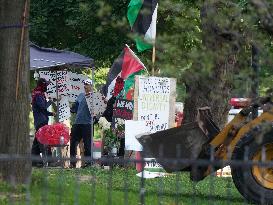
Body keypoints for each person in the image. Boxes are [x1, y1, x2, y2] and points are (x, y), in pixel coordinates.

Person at [70, 78, 93, 168]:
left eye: (87, 84)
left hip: (87, 123)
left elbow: (98, 111)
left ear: (91, 86)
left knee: (87, 144)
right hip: (77, 122)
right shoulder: (80, 95)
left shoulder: (94, 97)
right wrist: (73, 107)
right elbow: (74, 109)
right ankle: (72, 163)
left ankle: (88, 163)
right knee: (73, 142)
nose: (85, 86)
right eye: (85, 84)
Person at [31, 78, 55, 167]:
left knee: (36, 143)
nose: (47, 87)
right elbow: (43, 107)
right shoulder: (38, 95)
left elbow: (43, 110)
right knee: (44, 141)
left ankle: (35, 161)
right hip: (41, 122)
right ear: (42, 85)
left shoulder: (40, 94)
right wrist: (51, 101)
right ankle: (49, 161)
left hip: (41, 121)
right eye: (46, 85)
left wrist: (51, 113)